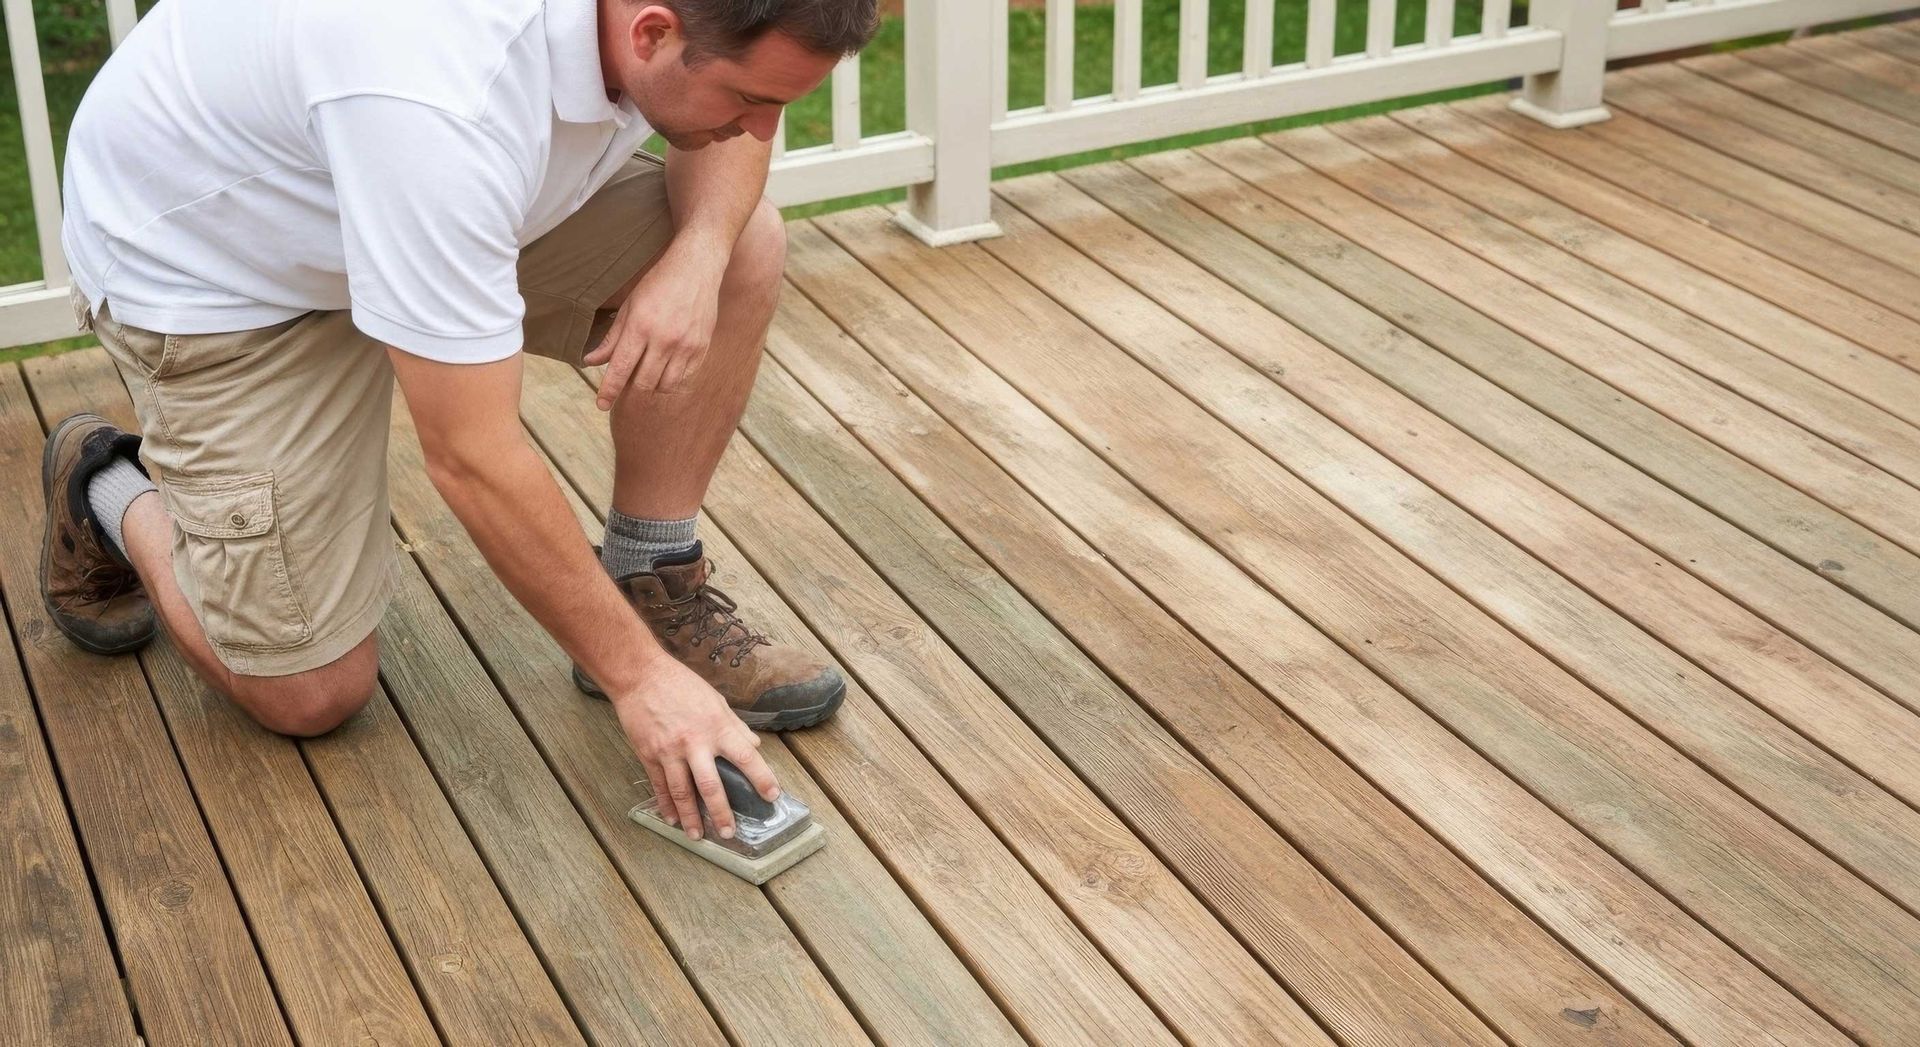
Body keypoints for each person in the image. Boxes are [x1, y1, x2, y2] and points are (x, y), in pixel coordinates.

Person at [38, 0, 877, 843]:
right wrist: (638, 683)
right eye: (748, 99)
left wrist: (699, 250)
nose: (764, 129)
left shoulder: (661, 37)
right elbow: (472, 455)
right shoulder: (438, 97)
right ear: (651, 33)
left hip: (418, 194)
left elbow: (732, 156)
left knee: (740, 245)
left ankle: (648, 579)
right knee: (310, 694)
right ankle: (109, 482)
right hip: (224, 274)